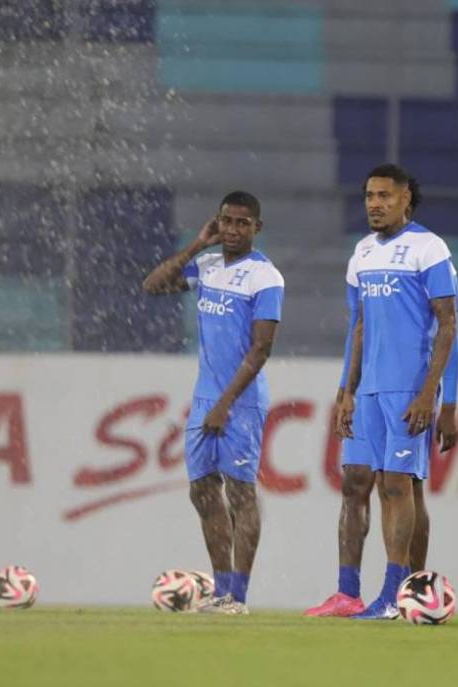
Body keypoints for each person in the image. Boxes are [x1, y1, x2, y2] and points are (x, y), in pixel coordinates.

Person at [306, 166, 458, 618]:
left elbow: (449, 324)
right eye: (370, 195)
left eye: (385, 196)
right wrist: (345, 390)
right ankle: (347, 592)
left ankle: (396, 594)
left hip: (408, 387)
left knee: (399, 485)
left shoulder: (429, 248)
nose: (375, 203)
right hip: (368, 390)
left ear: (405, 198)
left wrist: (432, 393)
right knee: (355, 483)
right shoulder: (361, 253)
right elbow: (358, 326)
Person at [142, 191, 284, 615]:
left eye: (243, 223)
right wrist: (197, 244)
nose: (233, 230)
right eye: (226, 221)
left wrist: (224, 404)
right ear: (217, 222)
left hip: (239, 402)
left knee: (241, 494)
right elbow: (153, 285)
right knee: (203, 492)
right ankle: (221, 591)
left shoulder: (265, 277)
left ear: (257, 228)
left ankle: (238, 596)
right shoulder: (206, 266)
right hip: (206, 398)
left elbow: (261, 349)